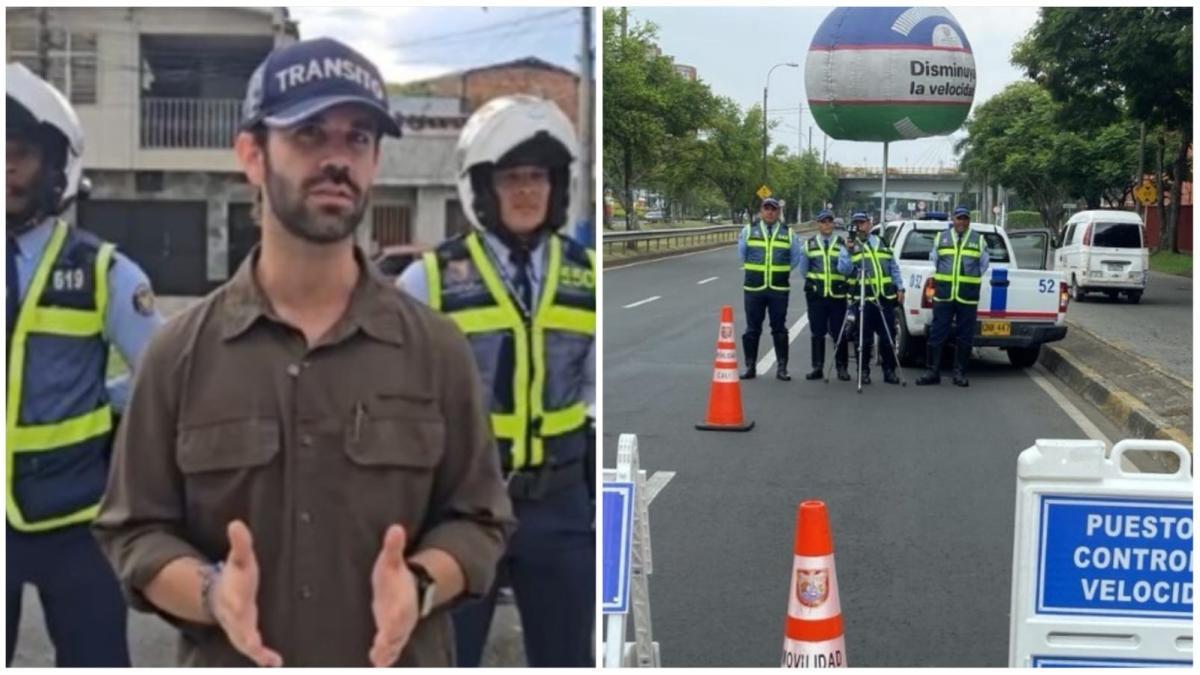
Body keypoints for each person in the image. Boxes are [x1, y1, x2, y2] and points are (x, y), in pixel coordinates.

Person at [92, 38, 514, 667]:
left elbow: (479, 520)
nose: (337, 159)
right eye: (309, 134)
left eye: (358, 139)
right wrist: (211, 594)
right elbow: (134, 531)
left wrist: (421, 585)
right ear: (252, 155)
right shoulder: (179, 354)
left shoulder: (435, 350)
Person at [398, 94, 596, 668]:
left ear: (559, 185)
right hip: (461, 504)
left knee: (566, 658)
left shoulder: (586, 278)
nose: (527, 191)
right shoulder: (427, 281)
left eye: (538, 176)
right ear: (482, 187)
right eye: (512, 178)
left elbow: (593, 394)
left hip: (559, 505)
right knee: (443, 656)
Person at [5, 62, 164, 667]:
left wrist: (107, 401)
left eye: (19, 154)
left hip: (77, 520)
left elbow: (159, 372)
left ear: (55, 165)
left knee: (95, 659)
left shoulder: (105, 272)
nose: (6, 168)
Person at [916, 206, 989, 387]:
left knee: (965, 336)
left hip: (967, 296)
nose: (962, 222)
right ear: (953, 219)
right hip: (944, 295)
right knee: (937, 333)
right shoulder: (941, 238)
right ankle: (933, 372)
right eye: (959, 218)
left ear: (969, 221)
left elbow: (983, 265)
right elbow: (935, 260)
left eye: (965, 218)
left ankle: (960, 373)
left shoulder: (978, 240)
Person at [738, 197, 803, 381]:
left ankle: (782, 368)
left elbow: (795, 259)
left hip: (778, 288)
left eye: (773, 209)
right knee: (752, 329)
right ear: (761, 211)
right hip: (754, 287)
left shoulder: (788, 233)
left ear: (778, 212)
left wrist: (779, 272)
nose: (770, 212)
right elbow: (742, 256)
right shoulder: (749, 230)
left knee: (779, 328)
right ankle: (750, 366)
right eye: (766, 208)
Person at [838, 212, 905, 385]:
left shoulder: (881, 242)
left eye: (863, 222)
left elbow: (893, 267)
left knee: (888, 336)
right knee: (864, 337)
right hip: (863, 298)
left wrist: (900, 287)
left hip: (884, 297)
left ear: (869, 224)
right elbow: (843, 270)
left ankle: (889, 371)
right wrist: (849, 249)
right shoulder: (850, 245)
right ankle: (864, 371)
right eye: (856, 223)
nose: (860, 226)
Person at [796, 209, 850, 381]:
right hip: (817, 295)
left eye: (829, 221)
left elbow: (847, 268)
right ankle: (817, 367)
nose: (827, 224)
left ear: (833, 224)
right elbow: (804, 270)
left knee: (838, 332)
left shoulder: (842, 243)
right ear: (818, 224)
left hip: (837, 295)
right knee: (817, 332)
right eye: (823, 221)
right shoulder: (809, 244)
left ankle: (842, 368)